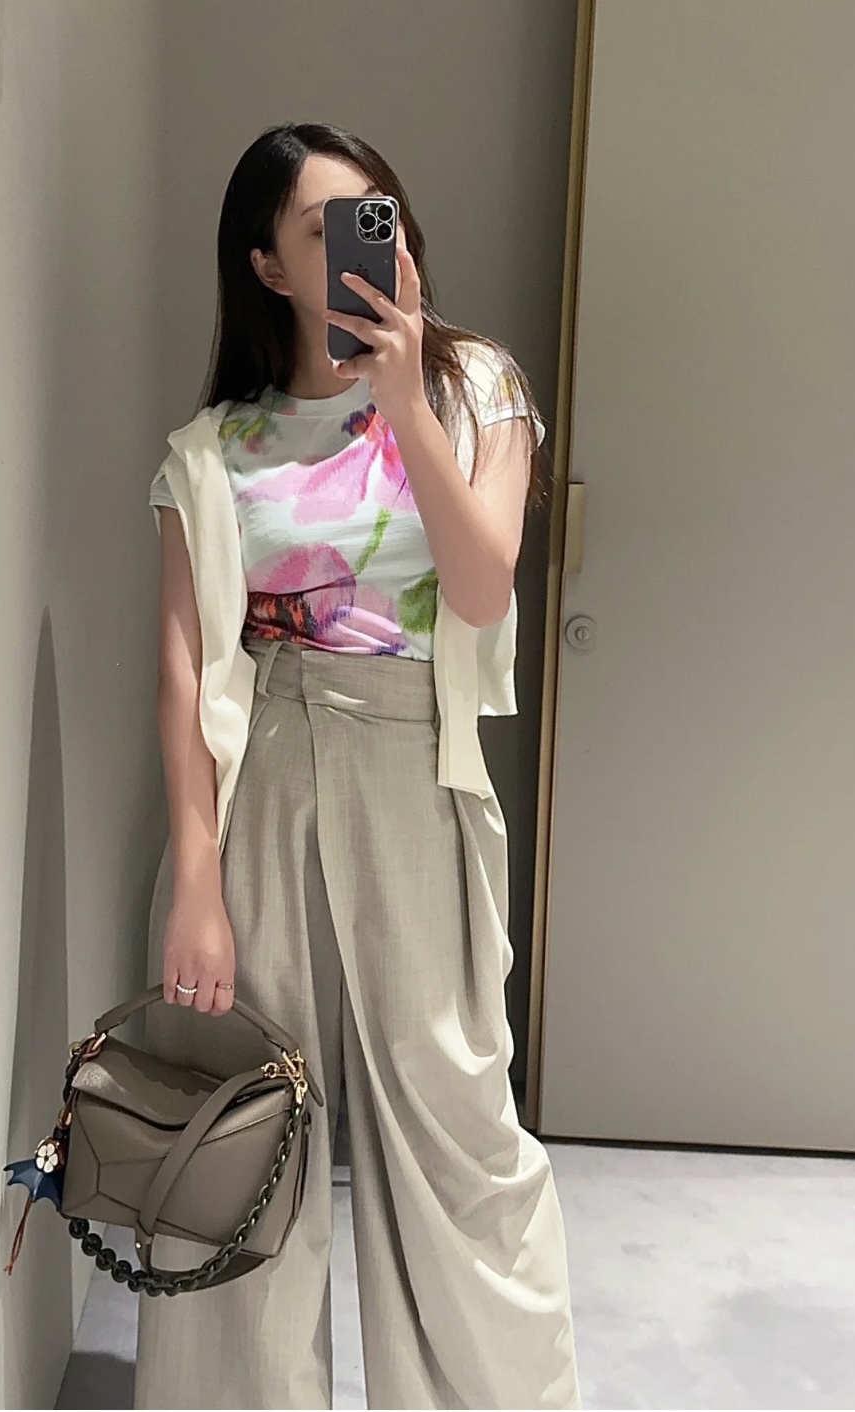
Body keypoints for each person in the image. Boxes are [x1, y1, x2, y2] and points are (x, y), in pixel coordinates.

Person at [134, 121, 582, 1411]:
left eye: (373, 212)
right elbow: (183, 679)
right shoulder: (212, 449)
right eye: (324, 226)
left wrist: (403, 401)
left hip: (411, 774)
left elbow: (485, 590)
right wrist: (197, 884)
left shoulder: (476, 388)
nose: (359, 243)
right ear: (270, 265)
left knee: (456, 1127)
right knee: (243, 1131)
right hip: (261, 775)